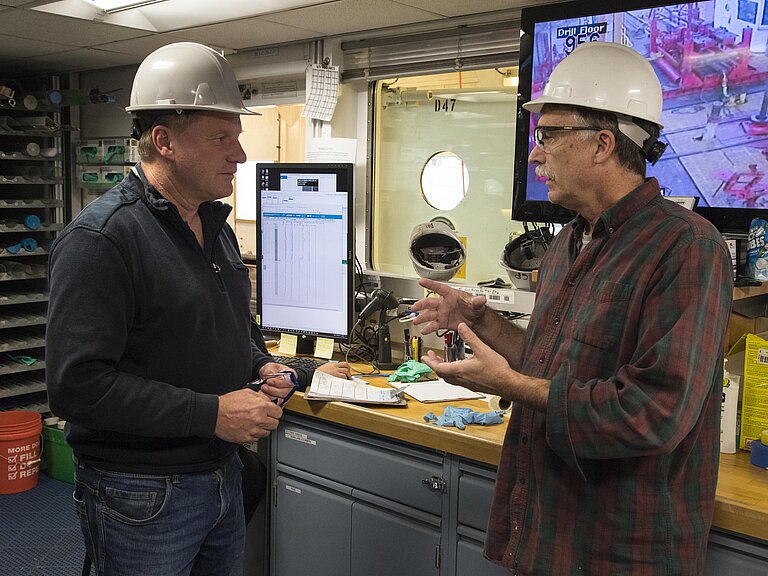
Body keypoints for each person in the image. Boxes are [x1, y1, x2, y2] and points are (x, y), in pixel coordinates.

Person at [412, 41, 733, 575]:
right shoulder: (567, 243)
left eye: (549, 136)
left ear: (604, 143)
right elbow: (549, 364)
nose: (535, 155)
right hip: (546, 532)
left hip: (620, 551)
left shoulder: (687, 248)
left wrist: (509, 386)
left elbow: (653, 413)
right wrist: (484, 323)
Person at [46, 42, 297, 576]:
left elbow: (230, 327)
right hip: (140, 494)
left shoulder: (215, 226)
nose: (240, 155)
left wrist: (259, 363)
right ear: (164, 141)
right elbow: (77, 385)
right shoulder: (103, 240)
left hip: (219, 476)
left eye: (238, 137)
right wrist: (213, 414)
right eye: (220, 138)